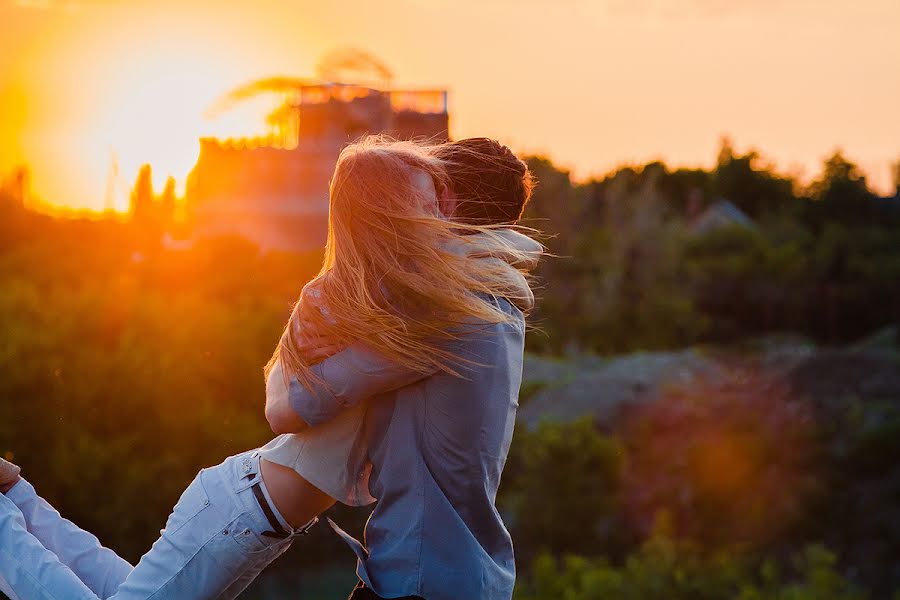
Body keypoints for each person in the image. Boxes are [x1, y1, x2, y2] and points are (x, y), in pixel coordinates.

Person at [0, 137, 538, 600]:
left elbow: (292, 400)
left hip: (257, 516)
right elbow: (289, 407)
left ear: (448, 199)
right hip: (242, 507)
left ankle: (14, 499)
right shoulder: (428, 308)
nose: (428, 213)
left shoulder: (440, 306)